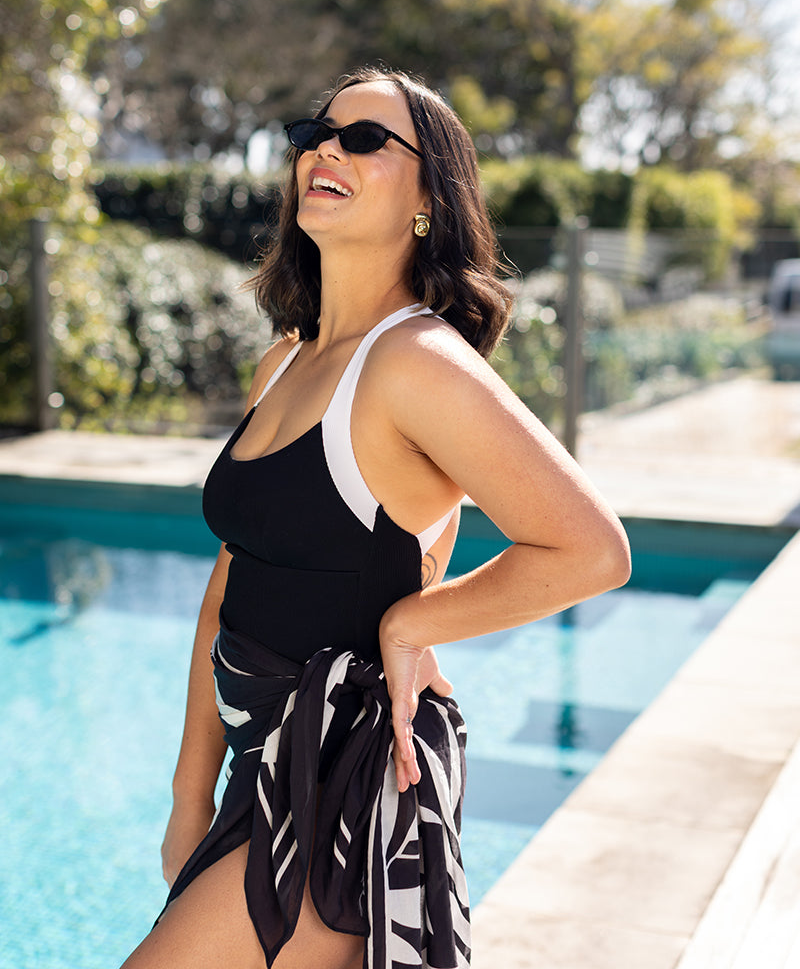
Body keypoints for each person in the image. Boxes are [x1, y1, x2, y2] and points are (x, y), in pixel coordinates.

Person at [121, 66, 631, 969]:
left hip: (340, 789)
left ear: (429, 199)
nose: (325, 146)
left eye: (364, 139)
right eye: (317, 131)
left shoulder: (417, 363)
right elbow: (228, 588)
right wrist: (187, 797)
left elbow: (590, 548)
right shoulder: (284, 362)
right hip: (256, 777)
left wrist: (413, 622)